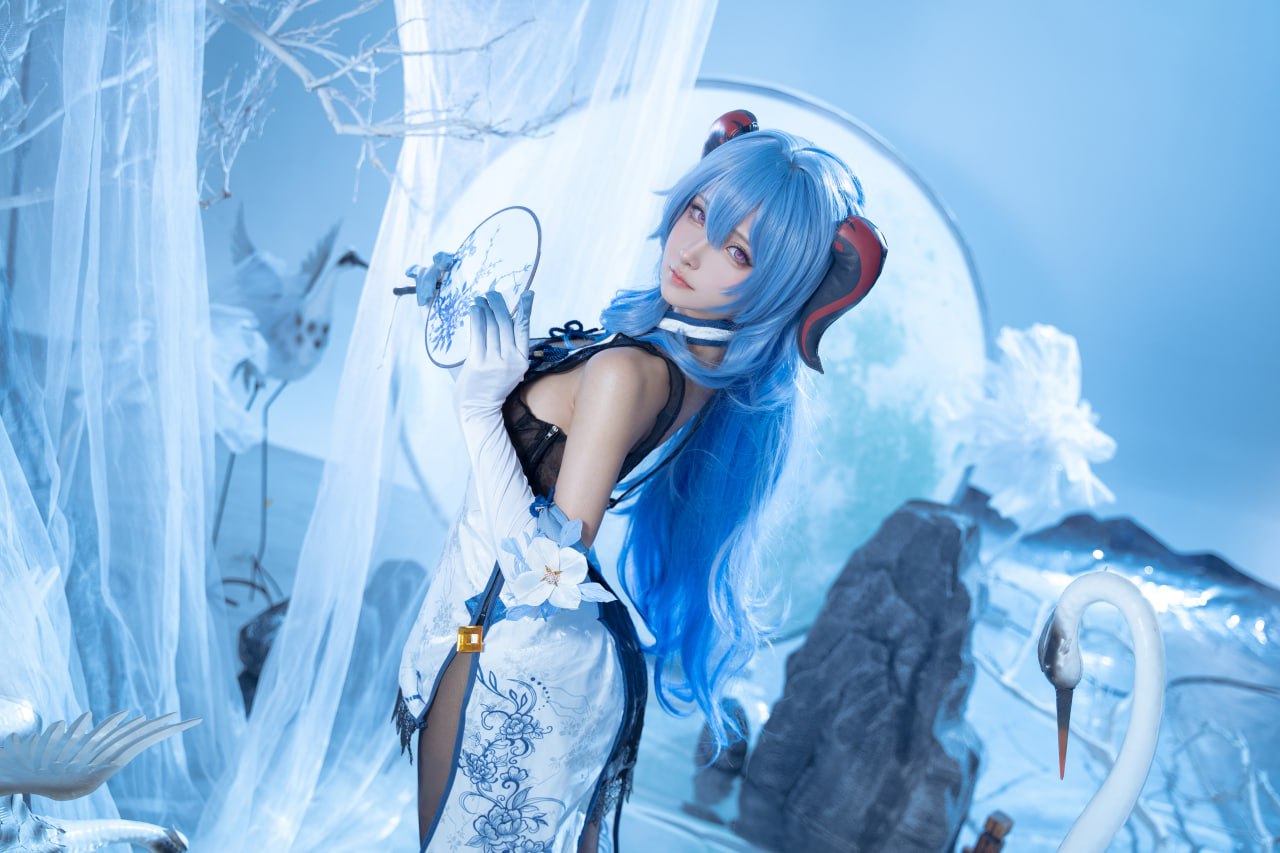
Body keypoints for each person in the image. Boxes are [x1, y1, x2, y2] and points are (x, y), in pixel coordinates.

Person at [394, 111, 886, 852]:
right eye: (699, 212)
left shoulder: (630, 372)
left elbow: (546, 567)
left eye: (738, 252)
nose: (691, 250)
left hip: (506, 637)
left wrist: (478, 410)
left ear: (782, 289)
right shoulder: (689, 362)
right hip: (508, 628)